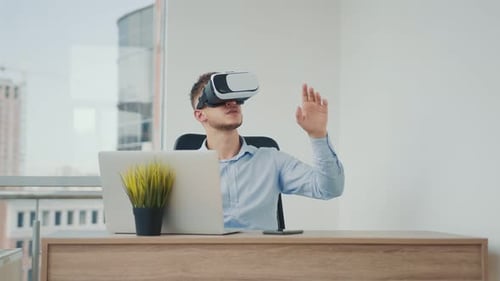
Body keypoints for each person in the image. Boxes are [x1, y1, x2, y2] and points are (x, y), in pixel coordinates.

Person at [189, 72, 344, 230]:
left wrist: (318, 135)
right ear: (200, 115)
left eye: (235, 97)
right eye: (219, 99)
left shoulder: (272, 161)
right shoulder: (186, 170)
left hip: (262, 253)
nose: (232, 103)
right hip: (204, 253)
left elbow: (330, 189)